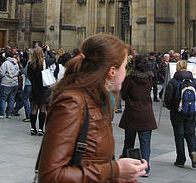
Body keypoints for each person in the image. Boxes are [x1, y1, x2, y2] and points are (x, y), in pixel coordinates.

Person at [37, 33, 147, 181]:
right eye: (125, 67)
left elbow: (95, 162)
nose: (126, 73)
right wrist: (115, 169)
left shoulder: (100, 101)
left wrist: (120, 176)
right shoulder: (72, 103)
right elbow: (51, 176)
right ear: (112, 71)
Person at [119, 54, 157, 176]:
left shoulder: (130, 78)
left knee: (129, 141)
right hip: (146, 114)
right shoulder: (149, 78)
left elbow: (123, 95)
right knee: (145, 143)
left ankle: (126, 164)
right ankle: (145, 168)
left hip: (132, 114)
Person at [164, 59, 196, 169]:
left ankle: (180, 159)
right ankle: (193, 152)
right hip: (192, 112)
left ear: (177, 68)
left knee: (179, 135)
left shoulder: (173, 81)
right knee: (191, 133)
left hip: (177, 112)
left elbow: (168, 98)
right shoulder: (195, 81)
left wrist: (169, 106)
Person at [27, 46, 55, 135]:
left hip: (35, 88)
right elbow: (54, 59)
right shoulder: (45, 62)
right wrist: (49, 51)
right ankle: (40, 129)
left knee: (34, 107)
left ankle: (32, 128)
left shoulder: (30, 64)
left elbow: (29, 76)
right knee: (43, 108)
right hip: (44, 87)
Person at [0, 48, 19, 119]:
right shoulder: (16, 63)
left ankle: (1, 113)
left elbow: (2, 73)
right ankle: (9, 113)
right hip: (14, 82)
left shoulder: (5, 63)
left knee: (2, 98)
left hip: (6, 83)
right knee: (11, 99)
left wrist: (1, 75)